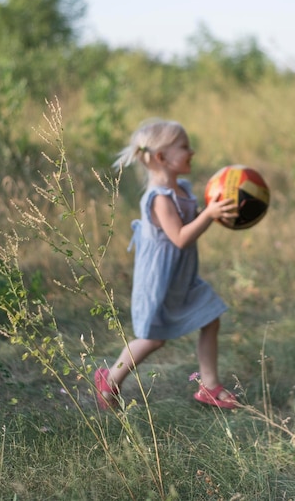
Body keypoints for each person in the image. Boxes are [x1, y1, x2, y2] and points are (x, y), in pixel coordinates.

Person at [94, 118, 238, 410]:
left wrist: (218, 212)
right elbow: (181, 238)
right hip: (159, 281)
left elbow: (193, 226)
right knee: (152, 338)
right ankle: (110, 378)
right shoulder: (158, 199)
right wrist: (209, 214)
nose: (191, 151)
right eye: (184, 146)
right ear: (161, 157)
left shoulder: (183, 189)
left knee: (211, 318)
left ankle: (209, 386)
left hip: (183, 278)